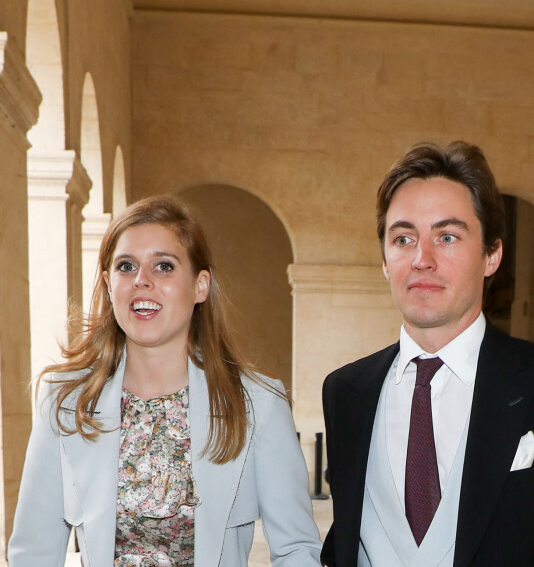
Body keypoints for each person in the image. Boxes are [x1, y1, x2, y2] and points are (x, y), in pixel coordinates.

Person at [9, 195, 322, 566]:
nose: (142, 281)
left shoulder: (258, 405)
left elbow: (296, 552)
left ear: (200, 286)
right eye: (127, 266)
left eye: (163, 266)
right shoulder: (66, 403)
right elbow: (34, 553)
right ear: (109, 285)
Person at [321, 141, 534, 566]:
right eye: (403, 238)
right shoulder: (346, 392)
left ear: (492, 255)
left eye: (447, 236)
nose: (422, 259)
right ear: (385, 260)